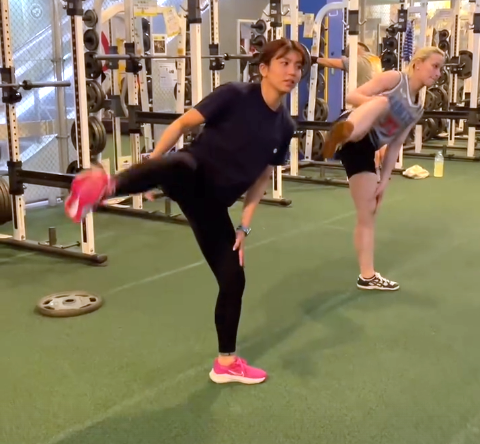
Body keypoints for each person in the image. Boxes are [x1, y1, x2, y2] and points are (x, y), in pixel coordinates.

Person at [64, 38, 307, 385]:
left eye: (298, 66)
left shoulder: (285, 127)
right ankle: (104, 187)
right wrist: (149, 168)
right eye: (285, 63)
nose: (293, 72)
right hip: (191, 173)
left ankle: (226, 363)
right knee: (178, 164)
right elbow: (181, 125)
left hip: (211, 203)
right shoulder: (235, 94)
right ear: (264, 68)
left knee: (234, 279)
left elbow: (262, 178)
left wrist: (244, 227)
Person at [322, 46, 445, 291]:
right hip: (353, 123)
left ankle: (367, 276)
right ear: (417, 64)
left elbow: (396, 144)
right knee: (381, 101)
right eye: (435, 66)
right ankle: (343, 135)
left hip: (363, 149)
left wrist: (384, 181)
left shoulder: (417, 109)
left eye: (440, 69)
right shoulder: (395, 79)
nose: (438, 73)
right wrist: (381, 104)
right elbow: (353, 96)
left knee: (367, 213)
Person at [316, 42, 387, 173]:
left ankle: (371, 173)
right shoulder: (374, 59)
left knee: (368, 142)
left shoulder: (359, 62)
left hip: (365, 105)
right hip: (378, 104)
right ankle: (380, 173)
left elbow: (335, 63)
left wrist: (315, 59)